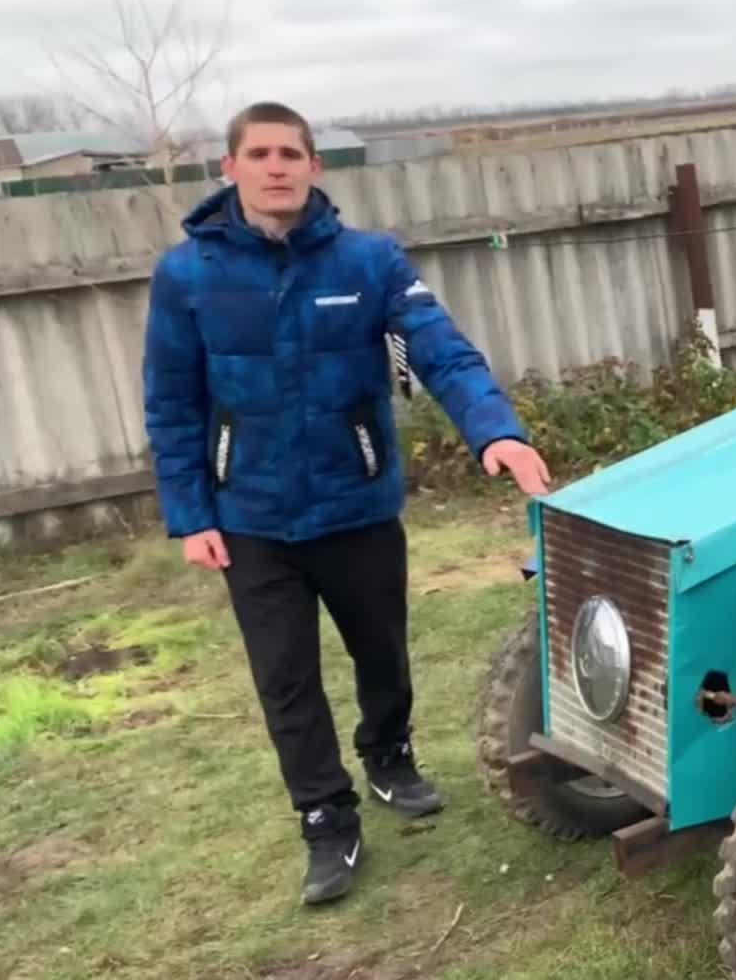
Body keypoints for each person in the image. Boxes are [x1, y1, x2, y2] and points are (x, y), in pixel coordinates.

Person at [141, 101, 551, 906]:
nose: (276, 167)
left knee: (382, 654)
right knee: (285, 677)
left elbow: (441, 351)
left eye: (290, 153)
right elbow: (171, 402)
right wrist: (190, 515)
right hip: (251, 518)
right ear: (231, 168)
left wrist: (495, 431)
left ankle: (388, 754)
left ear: (314, 166)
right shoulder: (186, 275)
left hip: (356, 505)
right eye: (259, 153)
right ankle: (326, 816)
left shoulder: (370, 262)